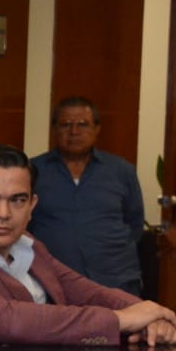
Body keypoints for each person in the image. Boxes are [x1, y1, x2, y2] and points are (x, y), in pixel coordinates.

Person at [0, 144, 176, 351]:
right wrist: (121, 320)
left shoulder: (25, 243)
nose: (3, 213)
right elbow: (6, 321)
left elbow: (84, 290)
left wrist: (149, 314)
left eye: (17, 200)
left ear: (32, 205)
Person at [29, 96, 145, 295]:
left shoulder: (121, 171)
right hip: (54, 281)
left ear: (97, 129)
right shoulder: (33, 171)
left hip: (116, 279)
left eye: (82, 124)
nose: (74, 132)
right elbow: (24, 224)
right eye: (66, 124)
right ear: (54, 129)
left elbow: (135, 223)